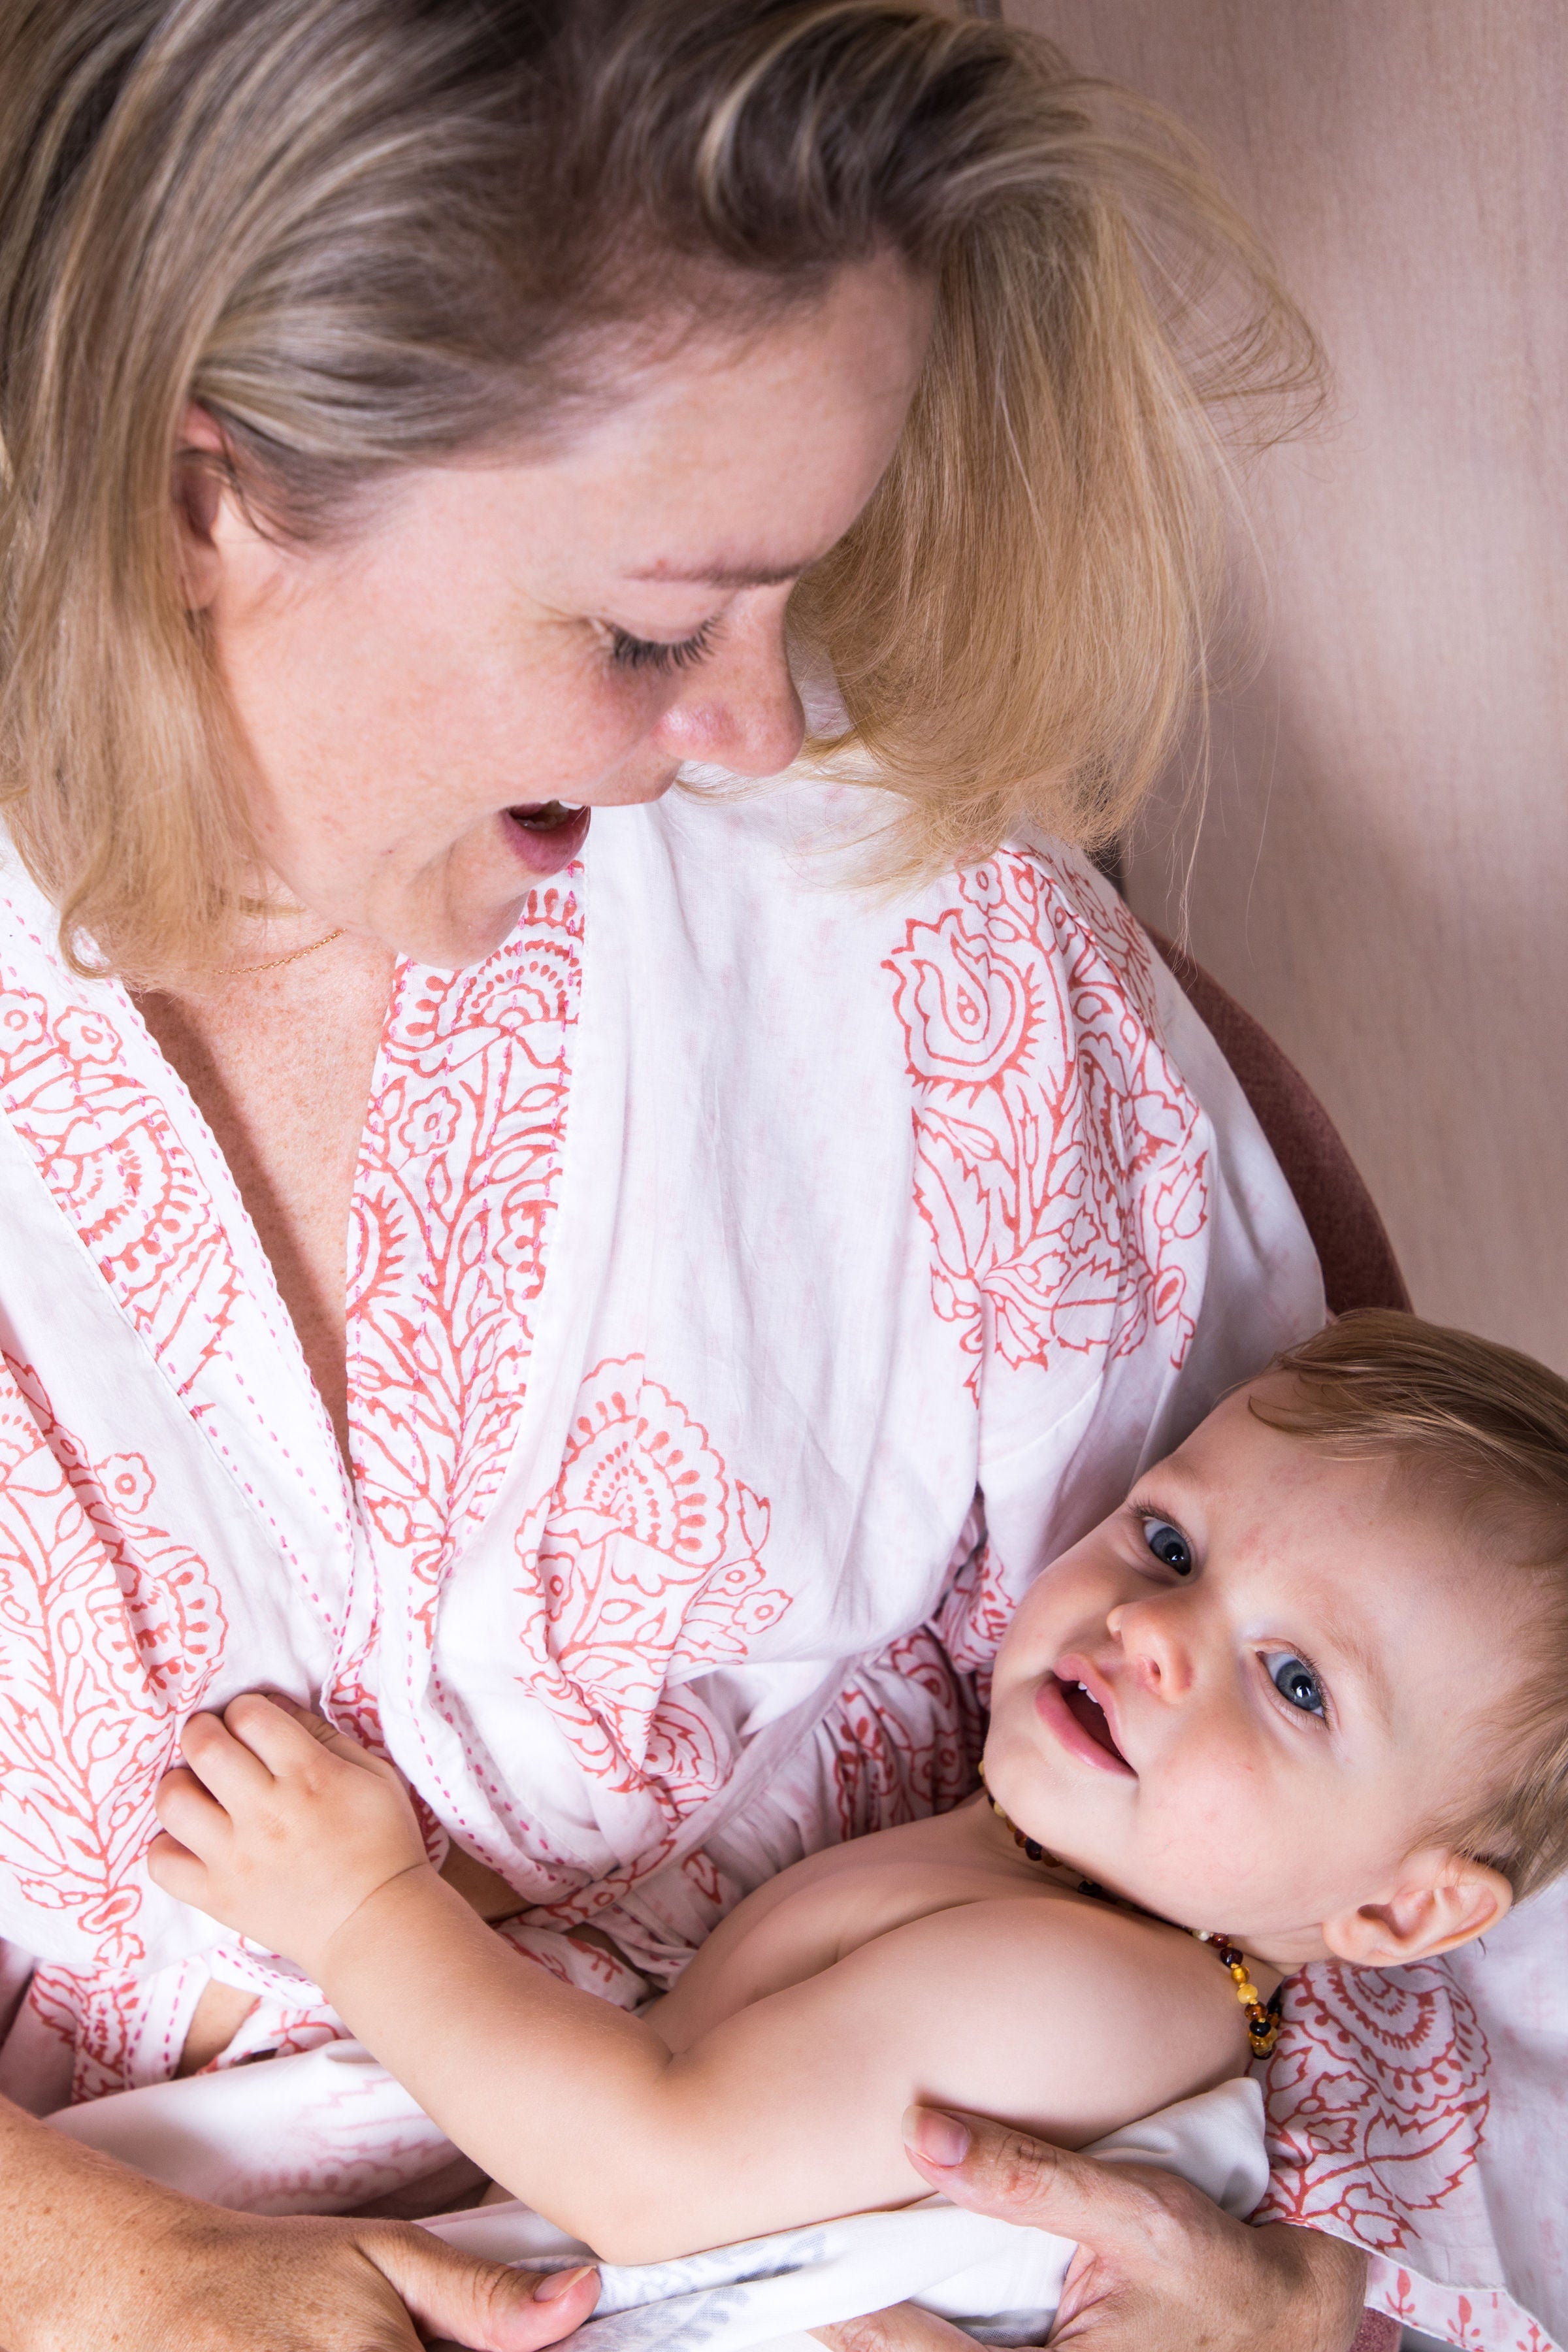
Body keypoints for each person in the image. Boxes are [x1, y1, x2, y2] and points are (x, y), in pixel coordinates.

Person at [0, 3, 1479, 2349]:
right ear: (215, 499)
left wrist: (1292, 2320)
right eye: (652, 625)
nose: (764, 731)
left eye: (809, 586)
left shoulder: (924, 953)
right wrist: (89, 2266)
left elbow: (1442, 1826)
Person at [146, 1310, 1568, 2297]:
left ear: (1397, 1908)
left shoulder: (1102, 1997)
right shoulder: (1054, 1884)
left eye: (1296, 1684)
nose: (1157, 1633)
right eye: (1170, 1540)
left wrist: (361, 1909)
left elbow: (647, 2176)